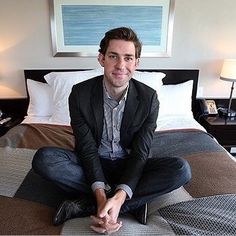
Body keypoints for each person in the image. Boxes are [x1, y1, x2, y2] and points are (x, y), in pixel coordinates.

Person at [32, 27, 191, 234]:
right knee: (44, 159)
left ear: (136, 63)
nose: (120, 65)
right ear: (101, 59)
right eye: (113, 56)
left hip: (129, 164)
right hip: (91, 161)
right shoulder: (80, 94)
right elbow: (86, 148)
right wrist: (100, 195)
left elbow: (141, 152)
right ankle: (129, 202)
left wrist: (119, 196)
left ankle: (90, 205)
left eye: (128, 58)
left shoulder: (149, 98)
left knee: (181, 170)